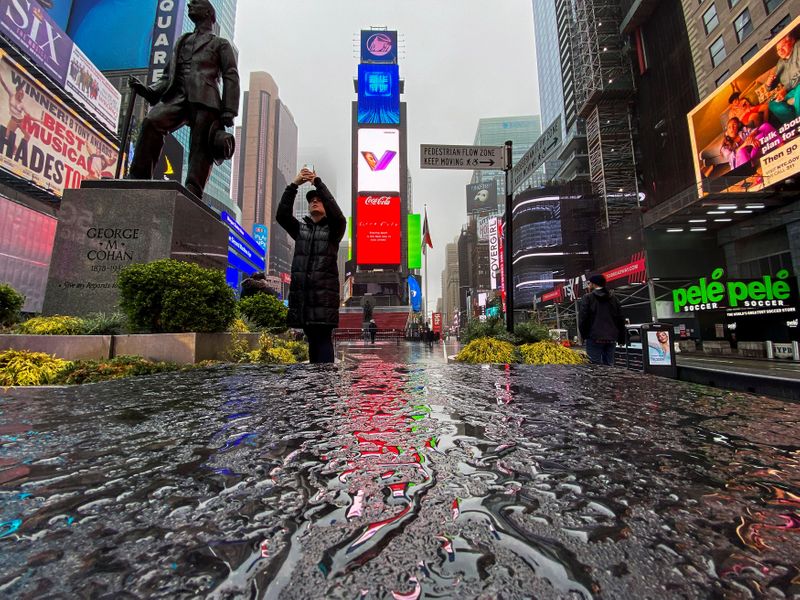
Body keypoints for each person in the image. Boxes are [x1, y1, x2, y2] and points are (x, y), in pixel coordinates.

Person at [128, 0, 239, 198]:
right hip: (177, 95)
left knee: (200, 146)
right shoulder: (181, 41)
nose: (189, 6)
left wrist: (229, 110)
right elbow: (167, 76)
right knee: (152, 122)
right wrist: (148, 91)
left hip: (205, 98)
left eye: (195, 4)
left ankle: (193, 190)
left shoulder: (220, 44)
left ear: (207, 12)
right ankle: (138, 177)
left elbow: (231, 74)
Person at [276, 168, 346, 364]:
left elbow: (338, 216)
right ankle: (314, 389)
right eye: (311, 200)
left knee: (322, 341)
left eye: (318, 199)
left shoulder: (334, 230)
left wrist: (318, 183)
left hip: (323, 300)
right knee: (312, 342)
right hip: (304, 299)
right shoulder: (301, 229)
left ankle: (324, 388)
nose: (314, 201)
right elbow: (281, 215)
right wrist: (294, 185)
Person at [578, 274, 626, 366]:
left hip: (594, 337)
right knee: (609, 365)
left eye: (589, 284)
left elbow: (583, 318)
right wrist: (621, 338)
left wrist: (584, 336)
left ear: (593, 284)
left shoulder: (588, 298)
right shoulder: (614, 299)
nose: (588, 286)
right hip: (611, 338)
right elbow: (620, 319)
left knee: (594, 366)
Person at [767, 30, 800, 124]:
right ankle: (794, 124)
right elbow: (770, 87)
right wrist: (769, 83)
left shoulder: (798, 46)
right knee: (772, 104)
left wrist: (785, 89)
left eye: (783, 46)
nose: (780, 51)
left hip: (798, 86)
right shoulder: (780, 63)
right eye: (778, 49)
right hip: (790, 92)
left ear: (792, 41)